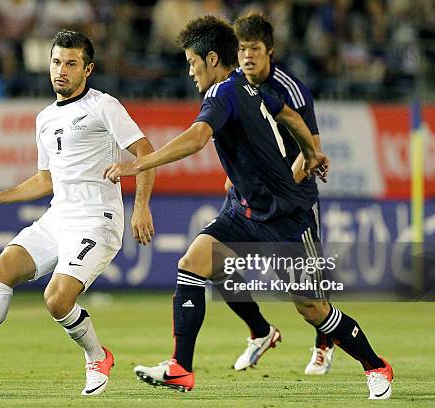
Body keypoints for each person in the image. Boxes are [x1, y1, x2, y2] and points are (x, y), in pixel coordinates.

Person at [103, 16, 393, 400]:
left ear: (210, 58)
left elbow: (198, 137)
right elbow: (287, 115)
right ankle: (181, 368)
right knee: (192, 264)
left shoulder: (222, 91)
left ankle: (376, 366)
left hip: (286, 218)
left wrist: (139, 163)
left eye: (191, 62)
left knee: (313, 309)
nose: (189, 71)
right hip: (244, 210)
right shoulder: (247, 84)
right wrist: (311, 150)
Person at [0, 29, 156, 396]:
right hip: (58, 217)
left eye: (70, 63)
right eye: (55, 62)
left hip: (98, 221)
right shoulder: (45, 118)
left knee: (57, 299)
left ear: (88, 68)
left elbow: (146, 154)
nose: (61, 70)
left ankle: (98, 356)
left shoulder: (103, 106)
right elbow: (46, 179)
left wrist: (140, 205)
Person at [217, 11, 335, 375]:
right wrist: (240, 178)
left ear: (270, 51)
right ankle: (259, 331)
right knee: (215, 260)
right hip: (246, 197)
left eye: (254, 48)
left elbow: (310, 149)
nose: (247, 56)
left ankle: (325, 342)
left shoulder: (291, 89)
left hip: (290, 202)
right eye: (241, 49)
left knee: (306, 295)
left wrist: (274, 185)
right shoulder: (235, 85)